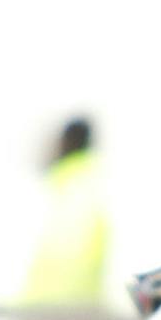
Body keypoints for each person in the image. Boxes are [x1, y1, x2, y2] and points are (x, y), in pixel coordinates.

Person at [22, 115, 114, 306]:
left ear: (66, 142)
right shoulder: (90, 183)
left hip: (57, 309)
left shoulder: (69, 187)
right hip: (78, 309)